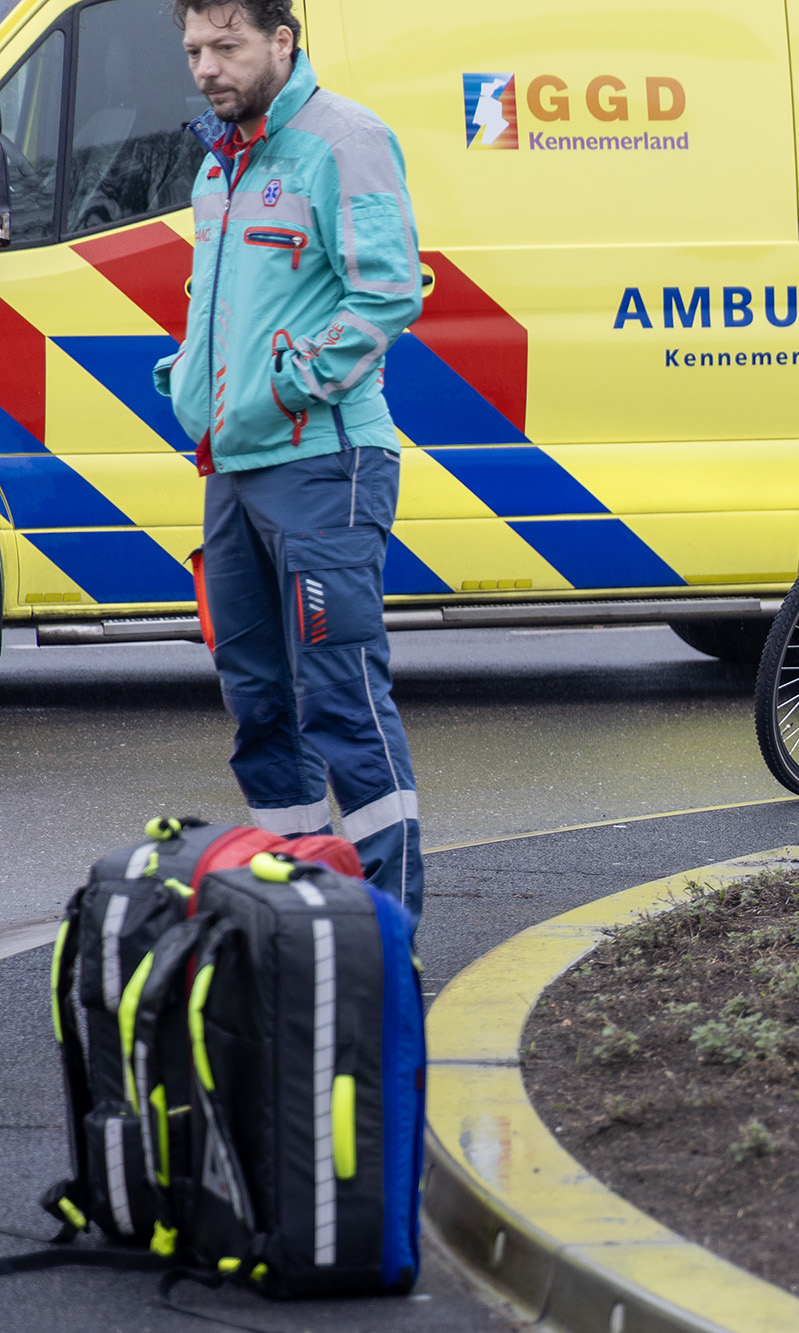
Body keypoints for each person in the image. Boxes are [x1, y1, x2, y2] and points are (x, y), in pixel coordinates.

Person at [154, 0, 425, 918]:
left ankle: (388, 934)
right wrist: (194, 380)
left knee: (341, 701)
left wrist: (283, 385)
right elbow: (228, 302)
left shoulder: (343, 138)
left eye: (226, 45)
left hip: (324, 461)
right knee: (261, 707)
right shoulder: (218, 158)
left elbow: (386, 291)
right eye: (194, 48)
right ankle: (307, 920)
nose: (206, 67)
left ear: (283, 39)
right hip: (232, 470)